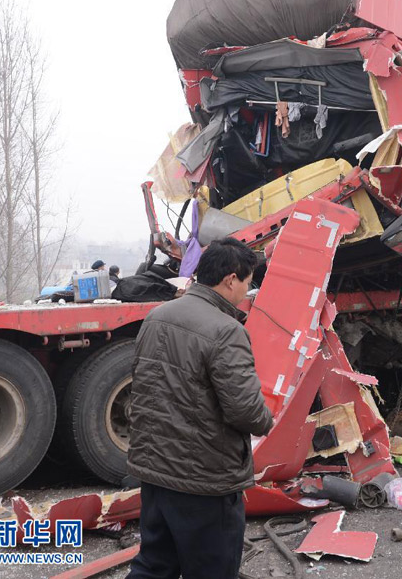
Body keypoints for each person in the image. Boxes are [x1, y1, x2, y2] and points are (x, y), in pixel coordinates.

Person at [126, 237, 273, 579]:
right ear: (230, 280)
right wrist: (269, 420)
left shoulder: (157, 316)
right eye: (247, 284)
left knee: (153, 564)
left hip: (154, 470)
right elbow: (245, 410)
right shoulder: (226, 330)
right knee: (213, 569)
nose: (246, 293)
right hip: (203, 480)